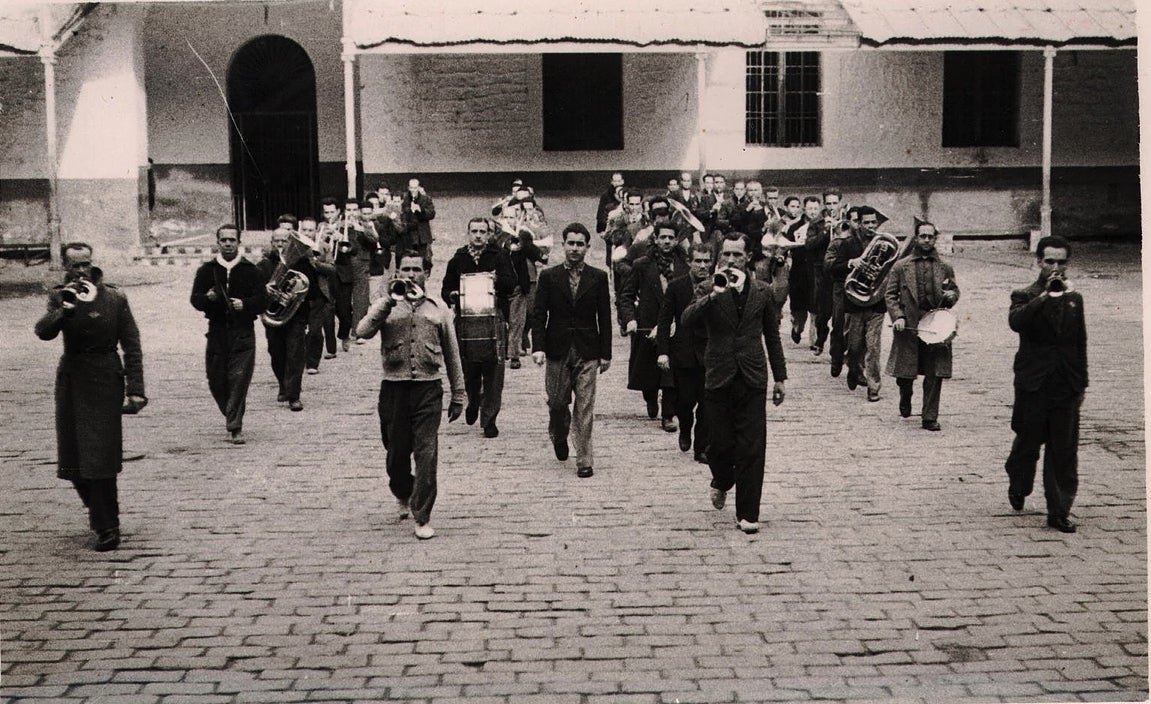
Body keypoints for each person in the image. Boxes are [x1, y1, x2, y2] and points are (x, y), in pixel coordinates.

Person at [35, 242, 147, 551]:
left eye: (85, 264)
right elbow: (43, 331)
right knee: (72, 458)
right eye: (75, 265)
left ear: (92, 264)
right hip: (72, 379)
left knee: (100, 456)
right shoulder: (59, 296)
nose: (81, 271)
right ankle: (99, 510)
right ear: (66, 267)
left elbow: (132, 344)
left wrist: (136, 389)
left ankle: (107, 525)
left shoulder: (113, 297)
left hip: (105, 379)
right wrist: (63, 311)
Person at [681, 234, 786, 534]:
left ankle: (748, 513)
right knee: (721, 444)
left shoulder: (763, 292)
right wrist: (712, 296)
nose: (730, 261)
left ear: (748, 258)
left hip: (752, 376)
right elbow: (686, 320)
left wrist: (780, 377)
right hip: (719, 375)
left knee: (753, 447)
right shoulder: (706, 287)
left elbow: (773, 336)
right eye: (725, 255)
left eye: (736, 256)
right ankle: (722, 479)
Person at [357, 250, 465, 540]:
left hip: (428, 389)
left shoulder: (438, 309)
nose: (410, 274)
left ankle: (422, 515)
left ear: (426, 274)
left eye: (417, 269)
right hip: (393, 389)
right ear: (397, 273)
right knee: (396, 454)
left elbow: (453, 354)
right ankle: (403, 491)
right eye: (405, 269)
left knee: (427, 454)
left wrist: (458, 393)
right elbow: (362, 331)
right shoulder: (386, 304)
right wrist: (387, 302)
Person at [1004, 236, 1088, 534]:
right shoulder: (1024, 294)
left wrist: (1081, 385)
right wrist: (1043, 298)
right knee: (1027, 444)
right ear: (1038, 262)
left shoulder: (1074, 298)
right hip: (1034, 384)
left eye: (1061, 262)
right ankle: (1019, 482)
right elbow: (1017, 322)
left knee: (1063, 451)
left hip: (1065, 385)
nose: (1055, 268)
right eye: (1049, 261)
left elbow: (1080, 343)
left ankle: (1059, 510)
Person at [532, 223, 613, 479]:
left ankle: (585, 459)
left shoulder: (598, 277)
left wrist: (606, 352)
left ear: (588, 247)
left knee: (585, 406)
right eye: (571, 243)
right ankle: (559, 433)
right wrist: (538, 347)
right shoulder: (549, 277)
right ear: (563, 245)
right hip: (557, 348)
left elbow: (605, 317)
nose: (575, 248)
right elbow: (538, 314)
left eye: (580, 244)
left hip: (588, 349)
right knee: (557, 402)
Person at [441, 217, 517, 438]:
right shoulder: (458, 259)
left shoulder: (499, 257)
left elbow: (511, 284)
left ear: (489, 234)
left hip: (492, 317)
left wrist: (494, 281)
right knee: (468, 367)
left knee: (494, 368)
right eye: (474, 231)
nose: (478, 235)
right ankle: (473, 400)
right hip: (466, 319)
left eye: (483, 231)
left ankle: (489, 418)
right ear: (468, 233)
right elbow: (446, 287)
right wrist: (451, 295)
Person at [190, 225, 266, 443]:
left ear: (239, 242)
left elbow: (263, 300)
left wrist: (246, 304)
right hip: (216, 332)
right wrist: (208, 299)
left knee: (239, 378)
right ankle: (231, 411)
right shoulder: (207, 270)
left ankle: (235, 425)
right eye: (224, 240)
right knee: (216, 380)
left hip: (243, 332)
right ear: (218, 243)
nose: (228, 244)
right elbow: (195, 299)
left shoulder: (251, 271)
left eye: (232, 240)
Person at [885, 220, 960, 431]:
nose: (926, 240)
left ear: (935, 239)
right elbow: (890, 295)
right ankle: (905, 393)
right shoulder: (901, 266)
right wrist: (898, 316)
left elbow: (954, 291)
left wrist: (951, 295)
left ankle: (929, 417)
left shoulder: (945, 266)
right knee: (905, 372)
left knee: (934, 373)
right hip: (909, 325)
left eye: (930, 236)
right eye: (922, 236)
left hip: (936, 326)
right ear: (916, 238)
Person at [620, 222, 688, 428]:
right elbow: (626, 295)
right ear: (655, 239)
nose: (667, 241)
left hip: (676, 325)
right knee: (648, 371)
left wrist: (679, 320)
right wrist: (630, 319)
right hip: (647, 324)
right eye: (662, 237)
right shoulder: (642, 264)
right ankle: (650, 397)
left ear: (676, 240)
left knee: (670, 370)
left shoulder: (684, 265)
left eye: (671, 238)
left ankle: (668, 414)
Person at [657, 242, 713, 462]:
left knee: (707, 404)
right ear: (689, 262)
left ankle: (702, 448)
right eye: (698, 261)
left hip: (710, 355)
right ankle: (685, 428)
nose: (702, 266)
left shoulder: (718, 285)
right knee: (685, 401)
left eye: (706, 261)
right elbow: (664, 321)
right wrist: (663, 352)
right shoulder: (676, 287)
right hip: (684, 353)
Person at [826, 205, 887, 401]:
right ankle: (853, 370)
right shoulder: (848, 244)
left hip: (876, 303)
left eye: (873, 222)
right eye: (866, 222)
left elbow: (891, 269)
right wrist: (852, 263)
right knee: (853, 347)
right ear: (859, 223)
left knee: (873, 347)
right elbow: (834, 269)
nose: (871, 226)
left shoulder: (883, 243)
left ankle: (873, 387)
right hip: (854, 303)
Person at [257, 227, 317, 411]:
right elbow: (253, 290)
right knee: (276, 352)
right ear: (272, 243)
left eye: (284, 241)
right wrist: (264, 290)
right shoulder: (264, 265)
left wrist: (293, 296)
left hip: (296, 316)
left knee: (295, 353)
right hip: (273, 316)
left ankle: (294, 395)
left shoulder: (303, 264)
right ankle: (283, 384)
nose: (281, 244)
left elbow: (312, 290)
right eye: (277, 241)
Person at [400, 178, 437, 264]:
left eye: (415, 188)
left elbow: (432, 214)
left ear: (419, 188)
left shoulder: (426, 199)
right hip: (409, 235)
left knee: (423, 260)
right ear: (408, 188)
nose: (413, 190)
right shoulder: (405, 200)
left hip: (422, 236)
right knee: (409, 260)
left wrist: (421, 211)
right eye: (411, 188)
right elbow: (402, 214)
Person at [596, 172, 625, 266]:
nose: (617, 183)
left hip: (624, 228)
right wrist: (601, 229)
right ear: (612, 182)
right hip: (610, 228)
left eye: (619, 180)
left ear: (623, 181)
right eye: (615, 181)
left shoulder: (627, 194)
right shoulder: (606, 196)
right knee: (610, 252)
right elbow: (601, 213)